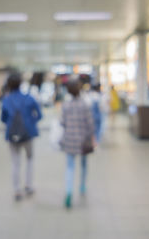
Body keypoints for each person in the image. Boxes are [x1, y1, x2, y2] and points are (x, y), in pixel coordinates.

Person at [1, 73, 42, 201]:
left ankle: (17, 190)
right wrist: (30, 123)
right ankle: (29, 186)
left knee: (15, 162)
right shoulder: (29, 98)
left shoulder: (6, 100)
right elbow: (39, 115)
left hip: (12, 135)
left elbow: (3, 118)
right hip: (28, 134)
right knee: (30, 159)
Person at [60, 79, 95, 209]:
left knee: (70, 166)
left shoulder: (66, 105)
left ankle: (69, 192)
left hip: (69, 139)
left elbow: (62, 122)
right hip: (83, 140)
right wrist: (91, 137)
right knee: (84, 164)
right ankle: (82, 186)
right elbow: (90, 124)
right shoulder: (85, 105)